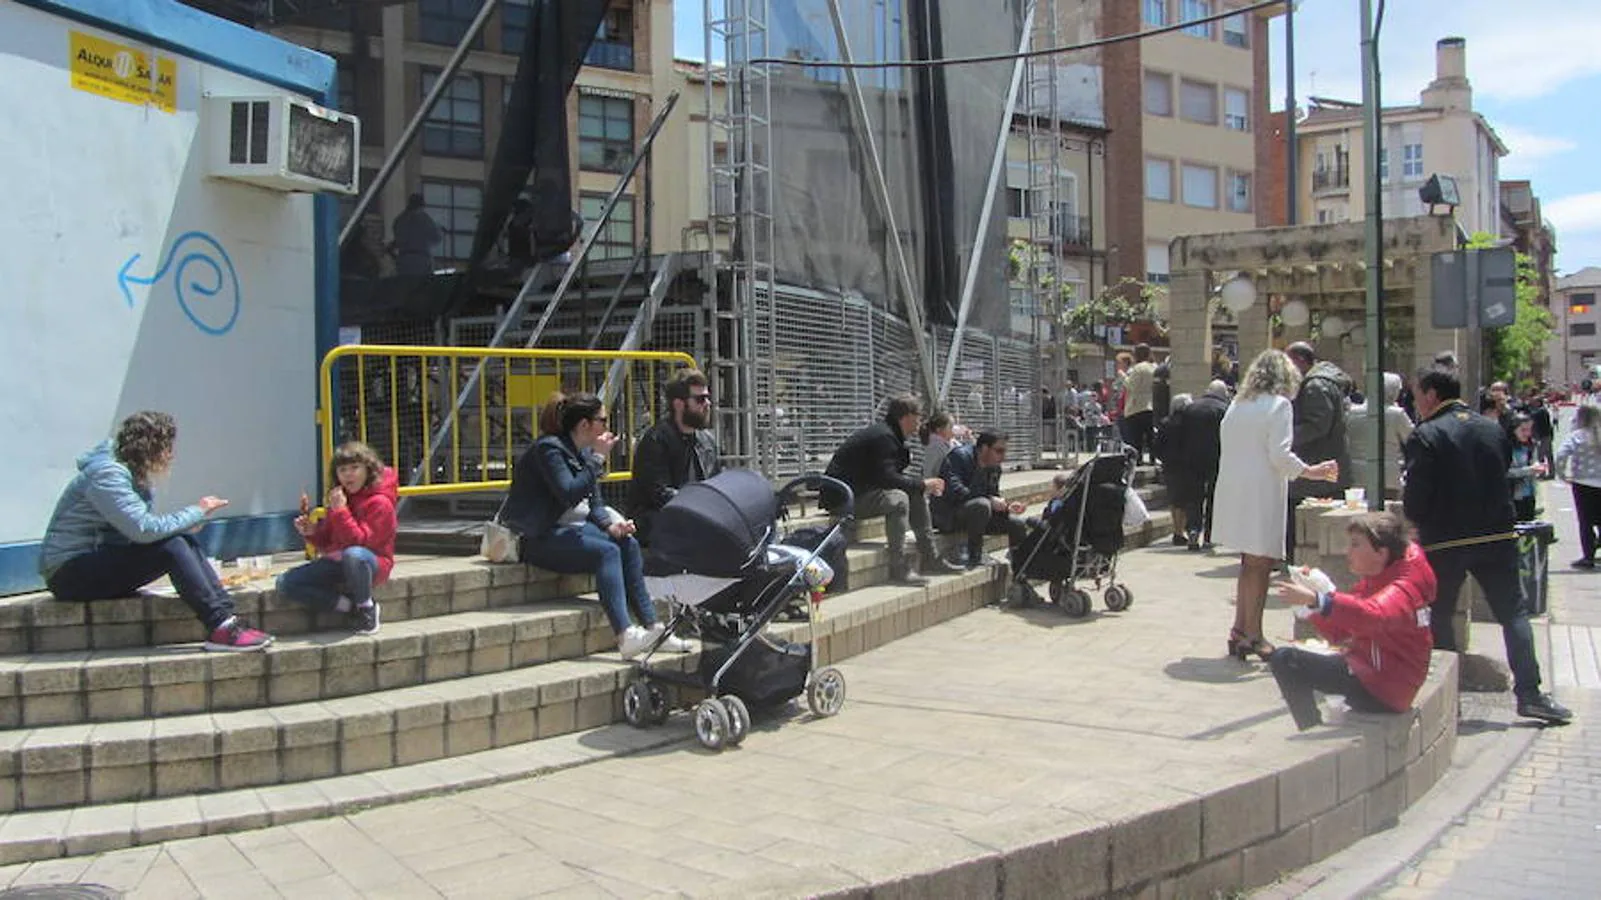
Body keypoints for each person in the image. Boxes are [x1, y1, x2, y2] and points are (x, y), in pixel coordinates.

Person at [1405, 365, 1571, 723]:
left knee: (1440, 614)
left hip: (1445, 541)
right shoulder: (1491, 429)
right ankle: (1530, 694)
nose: (1416, 402)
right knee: (1513, 613)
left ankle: (1448, 696)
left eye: (1417, 394)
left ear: (1432, 395)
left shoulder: (1427, 434)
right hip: (1496, 534)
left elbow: (1415, 502)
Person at [37, 411, 273, 651]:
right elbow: (143, 530)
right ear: (149, 446)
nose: (170, 455)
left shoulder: (127, 473)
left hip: (92, 563)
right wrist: (197, 511)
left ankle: (228, 621)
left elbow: (138, 532)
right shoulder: (107, 474)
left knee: (182, 539)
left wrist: (186, 524)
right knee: (172, 547)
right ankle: (220, 626)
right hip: (69, 574)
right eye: (167, 447)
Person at [504, 392, 694, 659]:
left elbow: (594, 501)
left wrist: (610, 527)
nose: (607, 427)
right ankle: (625, 634)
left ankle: (654, 628)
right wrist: (597, 461)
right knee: (607, 552)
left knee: (626, 544)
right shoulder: (549, 450)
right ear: (584, 425)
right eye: (602, 420)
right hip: (537, 536)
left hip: (568, 529)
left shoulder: (580, 452)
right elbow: (569, 492)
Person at [1212, 350, 1339, 662]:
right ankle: (1252, 635)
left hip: (1233, 487)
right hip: (1261, 490)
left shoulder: (1237, 405)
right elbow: (1279, 455)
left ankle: (1239, 629)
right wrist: (1313, 471)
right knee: (1261, 565)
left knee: (1248, 564)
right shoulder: (1279, 405)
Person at [1269, 512, 1437, 730]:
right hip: (1375, 674)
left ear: (1381, 552)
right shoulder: (1382, 578)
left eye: (1356, 545)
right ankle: (1310, 730)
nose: (1348, 552)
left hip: (1383, 687)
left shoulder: (1402, 589)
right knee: (1286, 659)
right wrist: (1316, 603)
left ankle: (1310, 731)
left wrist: (1319, 599)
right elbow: (1342, 633)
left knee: (1286, 660)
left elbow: (1372, 615)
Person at [825, 395, 963, 585]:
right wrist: (922, 484)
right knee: (898, 499)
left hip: (858, 493)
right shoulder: (884, 436)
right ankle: (898, 567)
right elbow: (887, 478)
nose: (920, 422)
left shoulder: (890, 434)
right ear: (906, 417)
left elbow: (887, 477)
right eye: (919, 417)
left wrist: (919, 486)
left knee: (913, 492)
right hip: (843, 500)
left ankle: (931, 556)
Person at [277, 442, 396, 635]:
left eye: (355, 468)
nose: (348, 474)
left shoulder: (380, 503)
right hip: (340, 561)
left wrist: (341, 511)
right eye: (342, 470)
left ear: (368, 470)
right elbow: (328, 542)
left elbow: (359, 543)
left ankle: (366, 607)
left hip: (370, 563)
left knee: (354, 555)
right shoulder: (339, 499)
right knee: (286, 582)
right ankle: (349, 607)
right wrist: (312, 532)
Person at [627, 369, 721, 545]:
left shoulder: (707, 440)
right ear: (679, 404)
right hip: (657, 519)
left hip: (697, 514)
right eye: (700, 399)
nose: (707, 404)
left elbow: (716, 485)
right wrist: (700, 507)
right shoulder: (655, 440)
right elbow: (660, 494)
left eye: (708, 397)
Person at [1285, 342, 1353, 562]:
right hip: (1324, 468)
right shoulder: (1323, 382)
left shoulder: (1314, 386)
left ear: (1300, 361)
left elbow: (1318, 425)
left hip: (1315, 470)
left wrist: (1286, 437)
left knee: (1302, 525)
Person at [933, 431, 1029, 568]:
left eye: (1004, 451)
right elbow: (955, 490)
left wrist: (1006, 506)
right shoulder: (959, 457)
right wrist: (989, 500)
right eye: (999, 451)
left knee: (1017, 524)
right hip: (950, 514)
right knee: (982, 505)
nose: (1003, 456)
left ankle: (1020, 574)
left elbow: (993, 494)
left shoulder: (994, 468)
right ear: (984, 448)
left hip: (980, 515)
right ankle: (975, 557)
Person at [1170, 380, 1230, 552]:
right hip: (1216, 459)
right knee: (1213, 498)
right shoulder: (1225, 410)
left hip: (1191, 460)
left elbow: (1179, 433)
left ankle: (1193, 531)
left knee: (1193, 498)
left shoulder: (1190, 408)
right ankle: (1210, 535)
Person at [1344, 372, 1414, 498]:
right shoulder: (1397, 414)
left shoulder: (1352, 412)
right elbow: (1413, 438)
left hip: (1357, 475)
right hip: (1387, 476)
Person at [1555, 403, 1601, 569]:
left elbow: (1561, 454)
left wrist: (1561, 473)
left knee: (1585, 521)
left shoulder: (1577, 436)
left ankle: (1588, 557)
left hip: (1583, 483)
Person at [1152, 393, 1192, 545]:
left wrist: (1164, 458)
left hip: (1169, 465)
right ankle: (1181, 531)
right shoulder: (1190, 423)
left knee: (1174, 499)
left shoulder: (1165, 422)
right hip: (1187, 465)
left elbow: (1156, 446)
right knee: (1186, 499)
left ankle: (1177, 530)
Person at [389, 193, 442, 276]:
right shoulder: (424, 218)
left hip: (403, 259)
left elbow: (398, 240)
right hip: (421, 258)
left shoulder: (399, 220)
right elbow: (436, 238)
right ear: (421, 205)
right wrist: (439, 229)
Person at [1121, 345, 1158, 463]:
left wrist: (1122, 376)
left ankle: (1138, 460)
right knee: (1150, 436)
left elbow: (1131, 386)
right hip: (1151, 405)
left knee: (1136, 438)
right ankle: (1153, 459)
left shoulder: (1138, 368)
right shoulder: (1155, 367)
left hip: (1136, 407)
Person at [1506, 414, 1546, 523]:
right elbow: (1506, 472)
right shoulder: (1506, 447)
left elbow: (1534, 462)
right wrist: (1530, 470)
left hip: (1530, 492)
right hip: (1513, 495)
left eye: (1529, 430)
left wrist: (1538, 467)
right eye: (1523, 430)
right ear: (1513, 429)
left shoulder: (1531, 445)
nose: (1527, 433)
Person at [1529, 395, 1556, 478]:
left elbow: (1532, 417)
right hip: (1547, 435)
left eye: (1534, 402)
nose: (1533, 403)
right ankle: (1551, 473)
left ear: (1538, 402)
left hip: (1543, 436)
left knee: (1541, 456)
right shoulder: (1543, 410)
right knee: (1548, 455)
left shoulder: (1540, 411)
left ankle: (1542, 473)